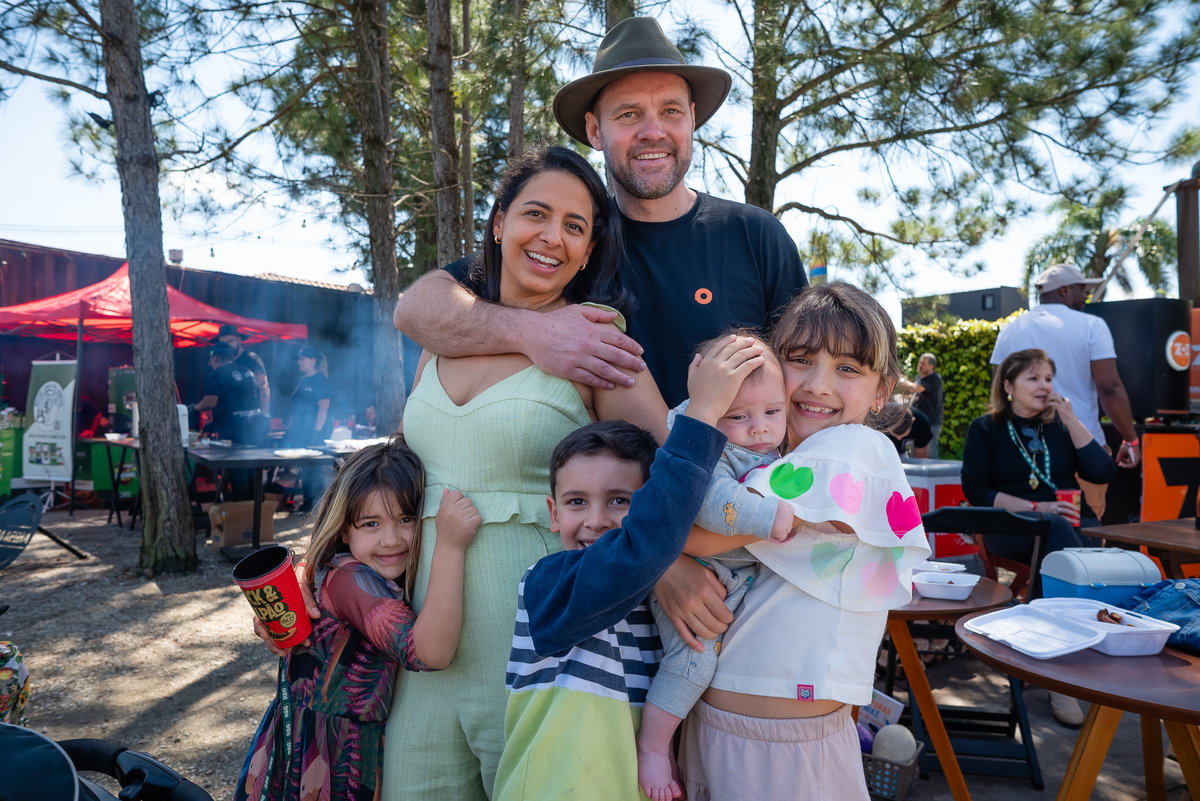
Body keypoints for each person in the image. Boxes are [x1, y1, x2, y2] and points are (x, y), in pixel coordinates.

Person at [393, 16, 808, 408]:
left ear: (692, 119)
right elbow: (415, 308)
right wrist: (535, 333)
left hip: (743, 482)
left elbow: (808, 377)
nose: (653, 132)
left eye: (671, 111)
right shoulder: (570, 245)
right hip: (591, 484)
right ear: (595, 130)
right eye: (629, 114)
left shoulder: (756, 236)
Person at [672, 282, 930, 801]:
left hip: (779, 742)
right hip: (731, 722)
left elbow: (684, 524)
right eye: (801, 360)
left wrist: (667, 560)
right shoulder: (773, 462)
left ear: (882, 391)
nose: (818, 384)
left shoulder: (855, 448)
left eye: (848, 369)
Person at [495, 338, 755, 801]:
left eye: (620, 501)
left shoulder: (655, 600)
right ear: (553, 514)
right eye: (577, 502)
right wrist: (703, 412)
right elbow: (636, 554)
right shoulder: (546, 585)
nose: (595, 520)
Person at [235, 439, 481, 801]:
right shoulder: (352, 581)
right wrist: (450, 544)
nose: (391, 538)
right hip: (328, 758)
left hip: (310, 742)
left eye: (406, 519)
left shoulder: (341, 570)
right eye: (371, 523)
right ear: (344, 529)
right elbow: (430, 652)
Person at [637, 333, 791, 800]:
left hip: (736, 580)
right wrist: (769, 517)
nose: (759, 429)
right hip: (696, 573)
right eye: (738, 417)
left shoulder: (773, 448)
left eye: (772, 412)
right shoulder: (705, 444)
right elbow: (707, 503)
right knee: (694, 664)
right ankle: (653, 747)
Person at [960, 348, 1116, 727]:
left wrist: (1072, 419)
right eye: (1033, 378)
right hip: (1011, 526)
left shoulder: (1060, 426)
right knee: (1064, 534)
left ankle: (1057, 647)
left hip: (1067, 528)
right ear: (1009, 386)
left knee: (1098, 542)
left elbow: (1101, 471)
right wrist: (1037, 509)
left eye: (1048, 378)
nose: (1044, 386)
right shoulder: (986, 428)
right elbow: (975, 489)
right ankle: (1062, 671)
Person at [990, 263, 1140, 518]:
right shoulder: (1092, 325)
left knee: (1029, 533)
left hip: (1021, 450)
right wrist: (1131, 440)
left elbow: (999, 386)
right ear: (1064, 291)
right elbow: (1110, 388)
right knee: (1083, 540)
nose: (1085, 297)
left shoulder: (1010, 329)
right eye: (1081, 290)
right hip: (1081, 449)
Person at [287, 346, 333, 511]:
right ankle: (308, 503)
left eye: (302, 359)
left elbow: (323, 408)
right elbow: (295, 408)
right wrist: (289, 430)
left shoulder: (320, 380)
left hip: (314, 430)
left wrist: (317, 432)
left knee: (314, 468)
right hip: (300, 430)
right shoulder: (302, 380)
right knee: (305, 468)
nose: (299, 362)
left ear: (313, 360)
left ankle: (318, 505)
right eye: (298, 359)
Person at [192, 342, 261, 445]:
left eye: (210, 361)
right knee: (252, 459)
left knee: (234, 459)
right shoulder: (249, 372)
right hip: (255, 427)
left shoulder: (216, 374)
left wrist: (193, 408)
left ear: (215, 358)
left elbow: (209, 403)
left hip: (232, 431)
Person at [214, 323, 272, 415]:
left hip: (251, 418)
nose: (227, 346)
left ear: (239, 340)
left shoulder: (251, 359)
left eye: (230, 341)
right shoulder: (223, 364)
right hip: (230, 420)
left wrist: (265, 414)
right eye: (223, 343)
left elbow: (263, 387)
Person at [911, 352, 944, 457]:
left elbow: (917, 388)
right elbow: (918, 395)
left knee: (930, 453)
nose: (920, 365)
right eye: (920, 362)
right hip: (918, 421)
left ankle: (934, 474)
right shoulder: (920, 377)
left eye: (923, 364)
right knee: (915, 451)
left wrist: (901, 380)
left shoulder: (934, 378)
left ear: (931, 366)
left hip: (931, 422)